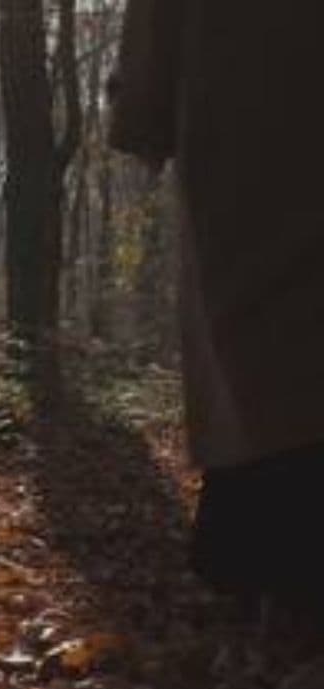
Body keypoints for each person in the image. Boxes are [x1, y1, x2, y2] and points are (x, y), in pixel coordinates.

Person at [110, 1, 324, 609]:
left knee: (258, 345)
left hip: (240, 139)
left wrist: (141, 110)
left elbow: (147, 75)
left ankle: (263, 548)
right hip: (243, 139)